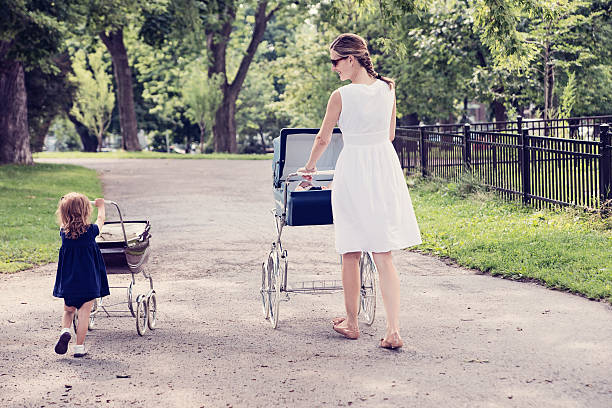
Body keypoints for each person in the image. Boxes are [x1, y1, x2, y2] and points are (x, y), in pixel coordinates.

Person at [298, 33, 422, 349]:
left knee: (350, 250)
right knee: (383, 253)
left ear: (351, 59)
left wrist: (309, 168)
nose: (333, 68)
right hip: (383, 168)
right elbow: (391, 134)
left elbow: (323, 139)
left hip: (353, 169)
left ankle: (352, 323)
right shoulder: (388, 89)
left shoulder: (340, 96)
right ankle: (393, 331)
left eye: (335, 61)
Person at [53, 193, 109, 357]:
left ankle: (65, 330)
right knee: (84, 313)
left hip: (69, 280)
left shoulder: (63, 232)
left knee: (68, 310)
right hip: (88, 280)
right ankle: (79, 348)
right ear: (85, 211)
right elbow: (101, 220)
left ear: (64, 214)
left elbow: (66, 222)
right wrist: (101, 206)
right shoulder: (91, 231)